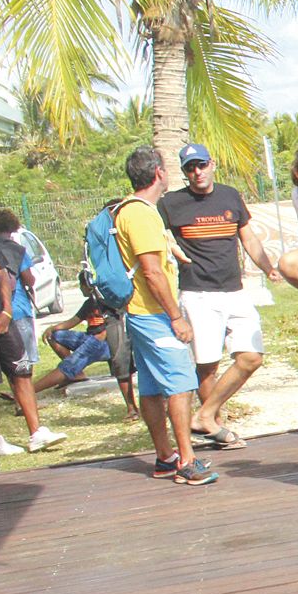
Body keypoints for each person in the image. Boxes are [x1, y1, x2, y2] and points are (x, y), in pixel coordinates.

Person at [157, 143, 281, 451]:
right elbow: (154, 234)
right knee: (207, 366)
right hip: (198, 293)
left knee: (251, 357)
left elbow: (248, 236)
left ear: (212, 164)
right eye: (189, 168)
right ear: (184, 172)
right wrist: (171, 246)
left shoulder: (230, 195)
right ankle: (215, 426)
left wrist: (267, 268)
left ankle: (204, 416)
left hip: (235, 291)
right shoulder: (171, 203)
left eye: (201, 165)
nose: (196, 172)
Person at [116, 146, 216, 484]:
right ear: (159, 173)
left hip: (139, 314)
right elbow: (152, 272)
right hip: (154, 313)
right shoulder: (142, 214)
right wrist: (175, 316)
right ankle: (187, 461)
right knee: (179, 384)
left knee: (151, 387)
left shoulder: (131, 211)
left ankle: (164, 457)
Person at [0, 209, 64, 452]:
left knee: (22, 371)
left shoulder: (1, 247)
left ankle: (36, 433)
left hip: (4, 320)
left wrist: (6, 311)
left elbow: (2, 275)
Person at [33, 292, 136, 420]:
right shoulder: (90, 303)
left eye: (83, 285)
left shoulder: (113, 300)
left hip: (103, 342)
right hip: (90, 337)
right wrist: (53, 328)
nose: (82, 289)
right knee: (56, 336)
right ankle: (77, 375)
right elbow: (73, 321)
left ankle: (28, 393)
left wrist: (97, 340)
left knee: (70, 364)